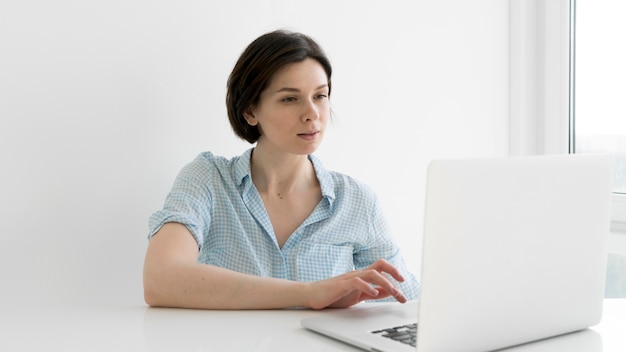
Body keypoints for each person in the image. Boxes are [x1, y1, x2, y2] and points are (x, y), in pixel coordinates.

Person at [143, 29, 419, 310]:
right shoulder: (208, 180)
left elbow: (409, 302)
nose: (312, 113)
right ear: (250, 111)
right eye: (290, 98)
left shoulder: (358, 201)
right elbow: (160, 280)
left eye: (320, 96)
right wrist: (309, 293)